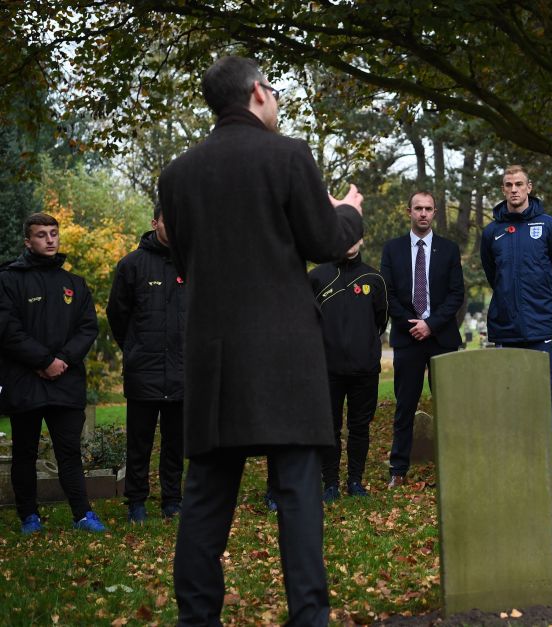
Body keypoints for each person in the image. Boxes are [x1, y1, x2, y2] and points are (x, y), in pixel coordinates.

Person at [158, 56, 363, 625]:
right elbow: (325, 241)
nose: (276, 99)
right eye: (273, 89)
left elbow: (184, 259)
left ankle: (197, 618)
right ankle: (308, 616)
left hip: (214, 358)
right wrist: (348, 212)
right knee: (298, 492)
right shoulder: (288, 155)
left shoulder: (175, 176)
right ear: (257, 94)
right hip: (284, 355)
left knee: (205, 498)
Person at [0, 212, 106, 533]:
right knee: (25, 453)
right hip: (26, 382)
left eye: (54, 233)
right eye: (42, 234)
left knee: (69, 452)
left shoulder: (74, 284)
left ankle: (82, 515)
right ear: (27, 241)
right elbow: (7, 329)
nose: (50, 239)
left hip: (66, 382)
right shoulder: (8, 280)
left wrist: (61, 360)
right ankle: (29, 517)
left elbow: (88, 328)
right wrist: (43, 361)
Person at [480, 165, 552, 478]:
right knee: (510, 396)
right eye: (508, 185)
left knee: (546, 394)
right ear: (503, 189)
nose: (514, 190)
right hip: (506, 326)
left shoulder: (549, 226)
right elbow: (493, 273)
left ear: (529, 187)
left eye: (519, 184)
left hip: (540, 324)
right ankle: (516, 458)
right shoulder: (492, 232)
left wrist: (541, 296)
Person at [107, 206, 185, 524]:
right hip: (144, 372)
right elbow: (117, 314)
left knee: (175, 443)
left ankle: (172, 500)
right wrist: (136, 348)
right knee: (139, 443)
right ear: (155, 223)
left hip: (181, 372)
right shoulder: (131, 265)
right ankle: (136, 501)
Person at [380, 191, 464, 488]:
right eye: (418, 208)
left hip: (441, 337)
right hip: (407, 338)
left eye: (429, 209)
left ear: (435, 213)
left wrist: (430, 325)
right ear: (409, 211)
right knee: (405, 406)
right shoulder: (393, 250)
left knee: (449, 405)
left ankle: (451, 467)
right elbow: (387, 294)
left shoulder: (449, 249)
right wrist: (412, 324)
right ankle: (398, 470)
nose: (424, 214)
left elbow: (456, 294)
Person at [308, 239, 388, 500]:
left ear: (362, 239)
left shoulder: (374, 278)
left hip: (364, 369)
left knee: (360, 427)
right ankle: (330, 482)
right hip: (327, 369)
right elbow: (308, 320)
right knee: (329, 428)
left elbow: (380, 319)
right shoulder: (317, 276)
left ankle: (355, 480)